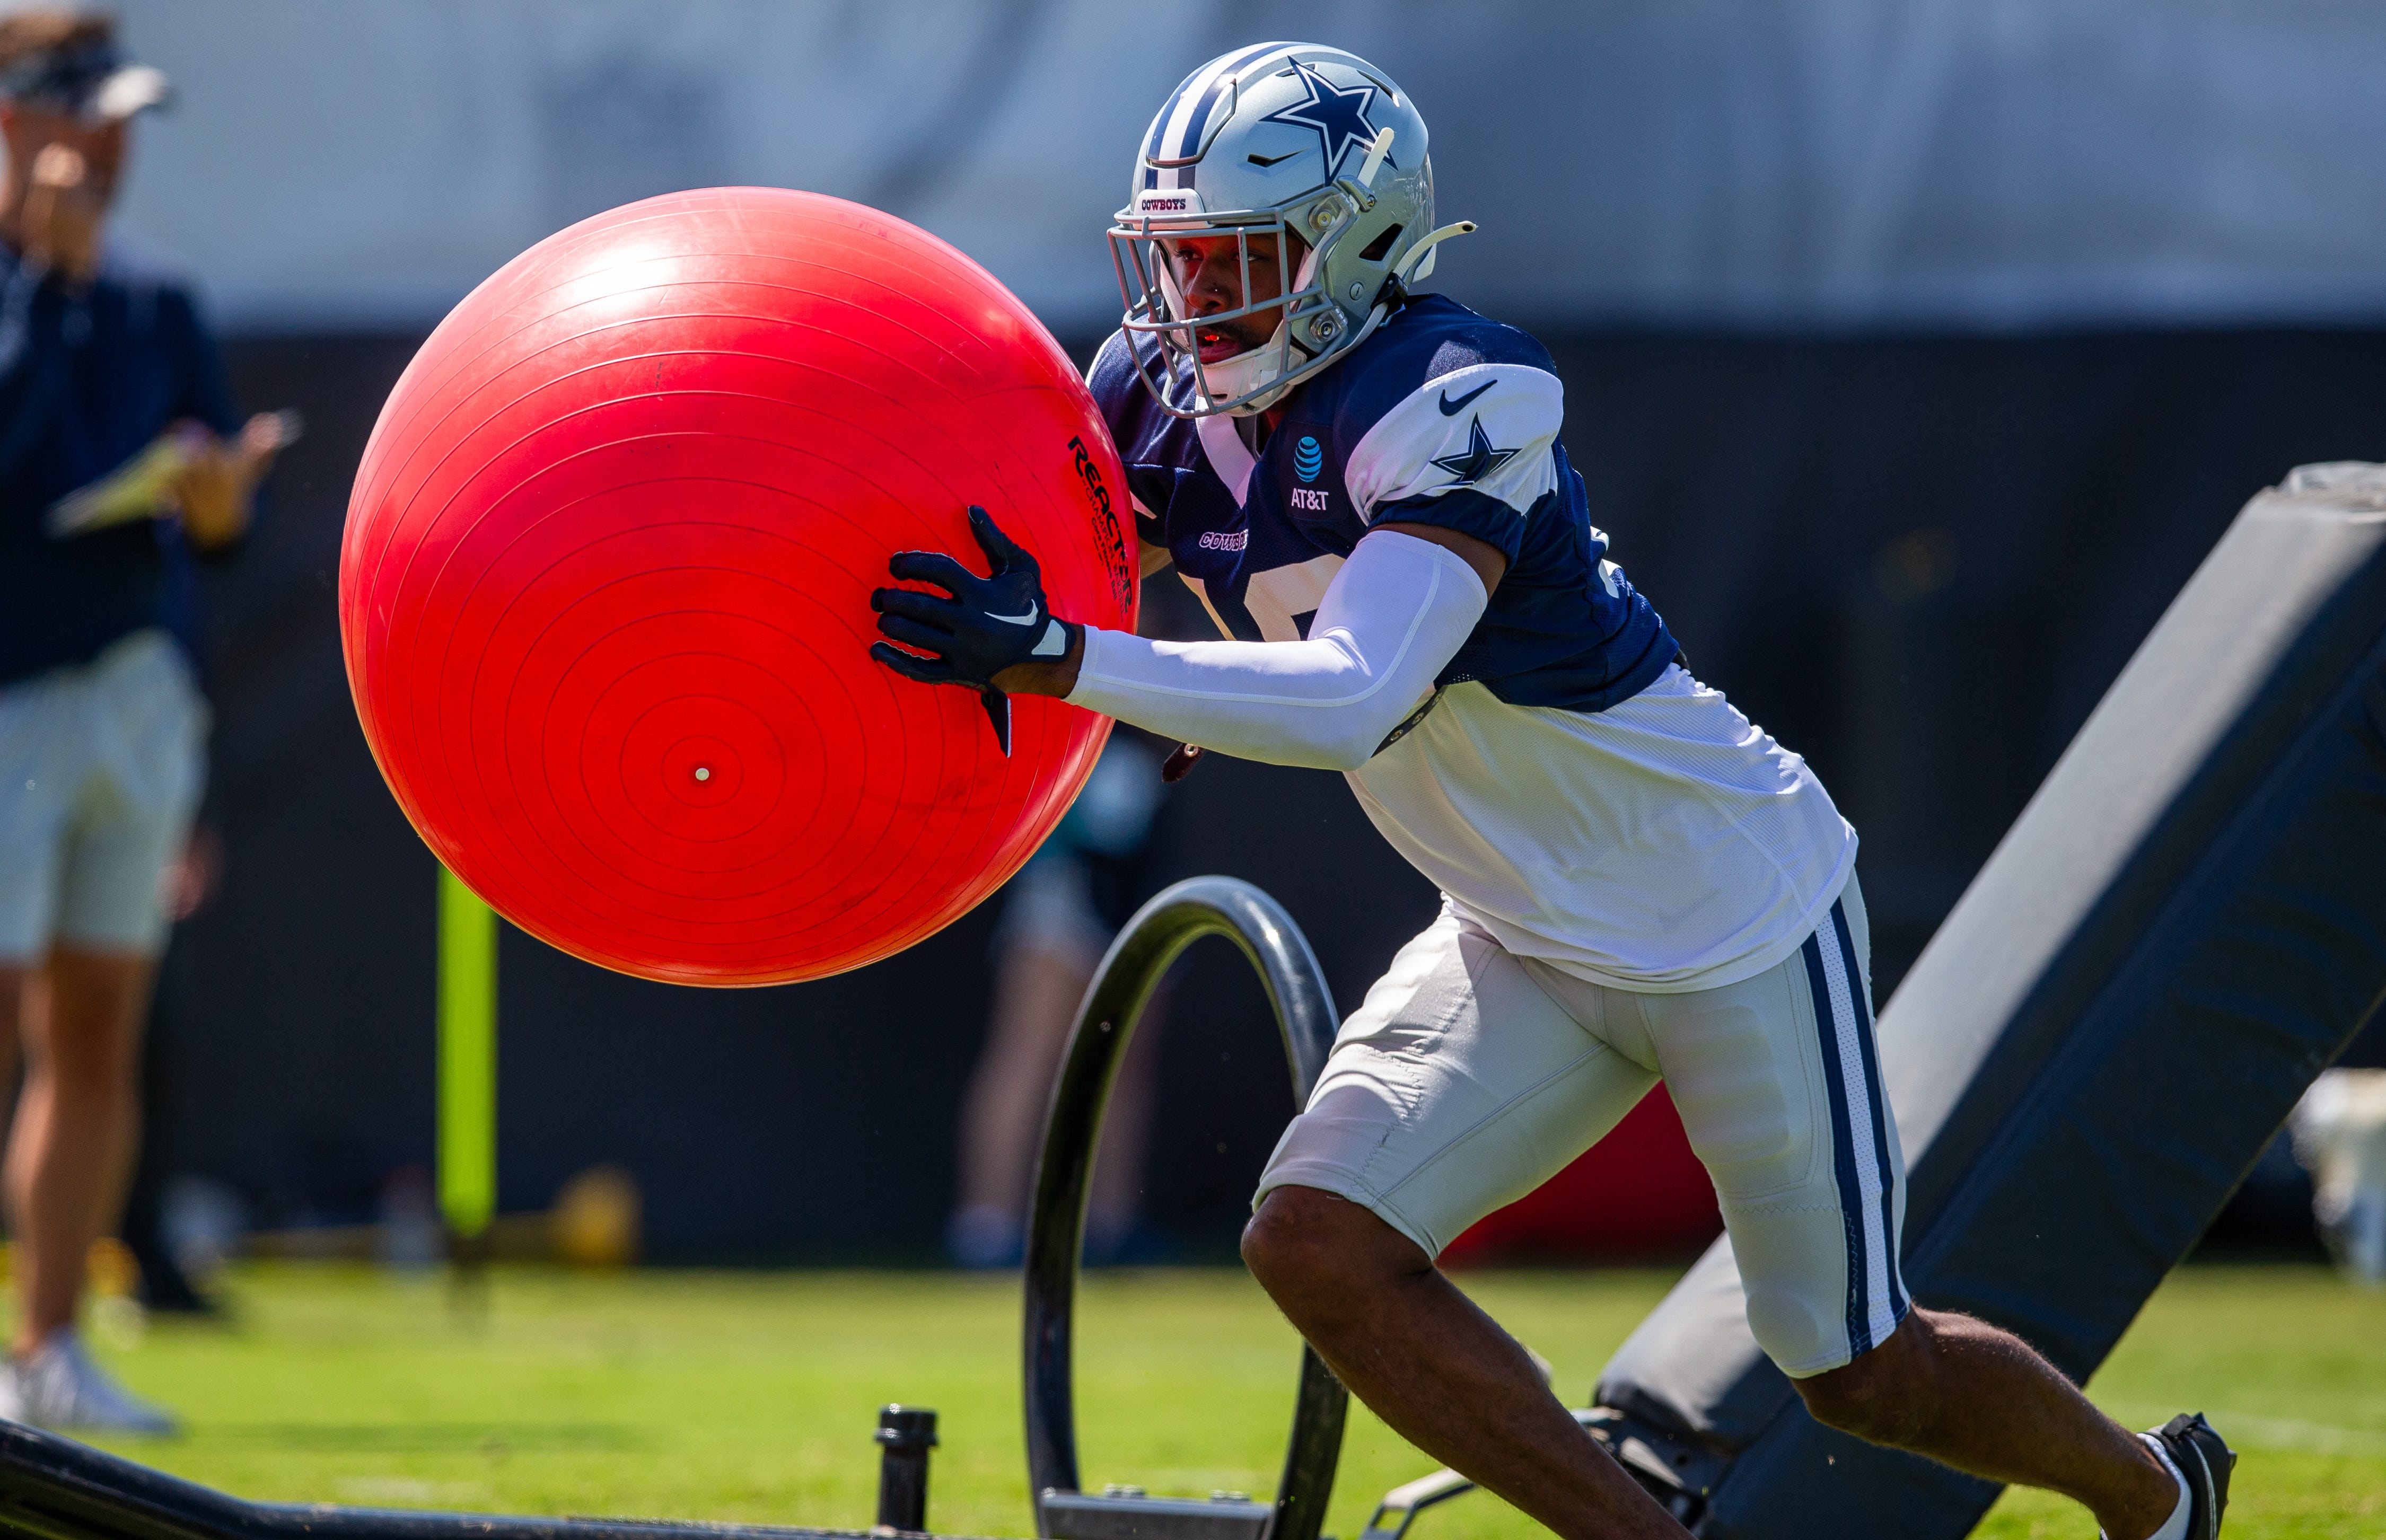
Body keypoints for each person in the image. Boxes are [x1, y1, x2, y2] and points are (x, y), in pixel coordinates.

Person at [869, 42, 2235, 1540]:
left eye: (1235, 261)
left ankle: (2153, 1491)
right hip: (1514, 924)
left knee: (1850, 1365)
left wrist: (1069, 657)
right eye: (1177, 260)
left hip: (1726, 911)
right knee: (1315, 1245)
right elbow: (1100, 574)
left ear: (1356, 246)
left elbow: (1351, 692)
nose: (1192, 302)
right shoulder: (1150, 394)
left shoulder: (1457, 393)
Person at [0, 11, 281, 1433]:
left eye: (120, 119)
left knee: (97, 1026)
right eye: (82, 114)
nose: (107, 147)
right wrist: (41, 293)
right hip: (5, 702)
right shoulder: (35, 292)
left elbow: (207, 523)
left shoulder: (160, 302)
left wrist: (219, 501)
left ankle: (46, 1348)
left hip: (131, 699)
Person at [948, 730, 1166, 1270]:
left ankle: (1113, 1226)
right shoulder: (1072, 733)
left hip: (1133, 908)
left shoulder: (1156, 747)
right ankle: (986, 1226)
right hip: (1063, 904)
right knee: (1027, 1056)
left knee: (1124, 1067)